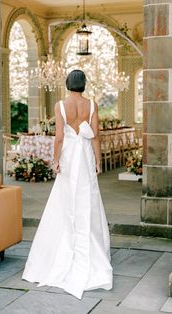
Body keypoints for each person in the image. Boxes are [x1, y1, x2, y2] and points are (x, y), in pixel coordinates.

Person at [22, 69, 113, 299]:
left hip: (70, 158)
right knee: (88, 200)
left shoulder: (60, 105)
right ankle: (91, 253)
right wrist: (98, 162)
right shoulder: (92, 105)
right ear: (84, 84)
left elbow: (59, 137)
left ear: (67, 84)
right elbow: (95, 136)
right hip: (85, 156)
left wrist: (55, 160)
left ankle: (60, 251)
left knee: (64, 202)